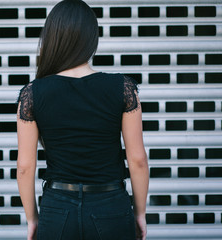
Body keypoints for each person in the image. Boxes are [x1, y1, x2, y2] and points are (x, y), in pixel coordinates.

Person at [16, 0, 149, 239]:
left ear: (52, 37)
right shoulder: (123, 88)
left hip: (57, 210)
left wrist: (32, 219)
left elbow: (25, 167)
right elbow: (137, 160)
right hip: (111, 207)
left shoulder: (32, 94)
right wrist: (140, 214)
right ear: (92, 39)